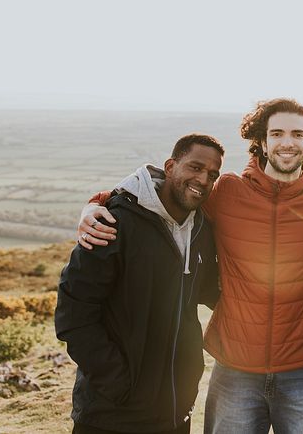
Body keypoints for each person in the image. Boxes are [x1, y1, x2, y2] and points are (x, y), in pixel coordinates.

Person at [79, 99, 303, 434]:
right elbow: (161, 196)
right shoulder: (227, 191)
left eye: (297, 134)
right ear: (261, 140)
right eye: (277, 133)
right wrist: (95, 204)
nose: (287, 142)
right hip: (235, 369)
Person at [55, 133, 224, 434]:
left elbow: (214, 291)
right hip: (112, 416)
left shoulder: (202, 230)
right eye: (195, 167)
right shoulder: (114, 223)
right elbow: (74, 312)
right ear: (170, 166)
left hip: (175, 413)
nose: (203, 179)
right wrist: (118, 382)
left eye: (212, 174)